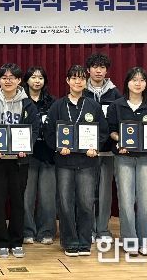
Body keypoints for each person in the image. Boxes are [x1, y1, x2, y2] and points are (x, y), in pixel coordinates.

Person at [45, 65, 108, 257]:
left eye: (81, 78)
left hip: (87, 162)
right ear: (67, 81)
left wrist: (95, 147)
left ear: (85, 81)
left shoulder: (93, 106)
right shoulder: (57, 106)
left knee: (86, 203)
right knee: (65, 203)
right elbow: (49, 132)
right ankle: (69, 241)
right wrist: (58, 147)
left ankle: (84, 241)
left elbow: (103, 131)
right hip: (64, 162)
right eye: (74, 78)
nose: (77, 82)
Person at [0, 63, 39, 259]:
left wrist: (25, 148)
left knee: (18, 202)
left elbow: (34, 130)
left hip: (19, 162)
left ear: (19, 80)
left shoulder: (28, 104)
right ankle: (1, 242)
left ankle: (16, 241)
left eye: (12, 77)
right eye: (4, 77)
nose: (8, 80)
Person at [107, 66, 147, 255]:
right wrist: (119, 140)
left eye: (142, 80)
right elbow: (111, 131)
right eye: (134, 80)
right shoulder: (117, 105)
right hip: (123, 158)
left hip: (146, 159)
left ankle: (144, 241)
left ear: (146, 84)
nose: (138, 83)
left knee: (145, 202)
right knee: (126, 201)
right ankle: (129, 241)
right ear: (127, 83)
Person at [83, 53, 122, 242]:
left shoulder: (116, 94)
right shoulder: (81, 91)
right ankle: (88, 229)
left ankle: (103, 230)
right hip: (86, 152)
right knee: (87, 191)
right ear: (88, 70)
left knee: (105, 192)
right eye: (95, 67)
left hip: (107, 151)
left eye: (102, 67)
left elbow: (120, 122)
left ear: (107, 71)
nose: (98, 71)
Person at [21, 66, 57, 246]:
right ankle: (27, 230)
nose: (37, 81)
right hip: (26, 154)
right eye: (33, 77)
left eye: (40, 78)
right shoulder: (19, 101)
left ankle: (46, 231)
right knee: (26, 196)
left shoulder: (53, 102)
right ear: (26, 80)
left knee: (47, 197)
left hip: (48, 154)